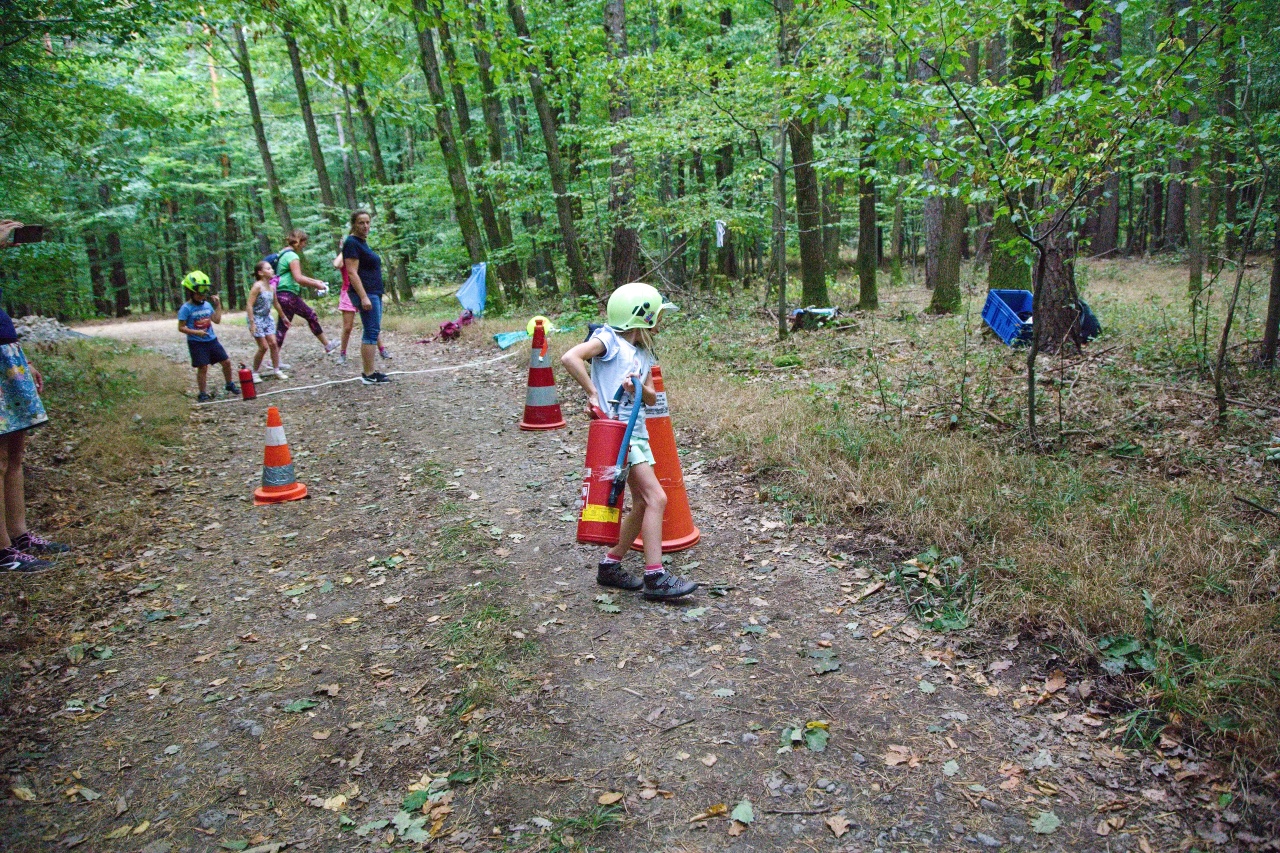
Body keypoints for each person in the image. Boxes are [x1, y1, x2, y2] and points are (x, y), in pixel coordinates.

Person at [561, 282, 697, 600]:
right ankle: (655, 576)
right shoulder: (608, 340)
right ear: (642, 315)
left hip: (637, 433)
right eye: (658, 314)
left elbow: (651, 397)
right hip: (618, 435)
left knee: (643, 503)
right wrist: (593, 394)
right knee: (656, 498)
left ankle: (610, 565)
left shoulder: (644, 353)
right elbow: (570, 358)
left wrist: (638, 387)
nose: (661, 319)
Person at [0, 220, 70, 572]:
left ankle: (19, 536)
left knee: (15, 454)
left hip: (8, 359)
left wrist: (23, 361)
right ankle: (2, 551)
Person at [342, 210, 391, 384]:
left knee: (373, 330)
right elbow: (352, 272)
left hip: (373, 292)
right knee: (371, 331)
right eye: (361, 223)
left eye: (367, 222)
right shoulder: (351, 243)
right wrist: (363, 297)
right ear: (354, 224)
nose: (365, 226)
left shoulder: (362, 243)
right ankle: (369, 374)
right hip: (366, 293)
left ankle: (370, 371)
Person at [273, 229, 337, 359]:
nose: (305, 245)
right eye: (304, 242)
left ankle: (273, 360)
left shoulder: (283, 254)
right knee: (310, 315)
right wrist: (316, 285)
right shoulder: (293, 256)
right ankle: (327, 345)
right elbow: (299, 278)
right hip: (288, 294)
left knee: (283, 327)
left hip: (281, 293)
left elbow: (297, 275)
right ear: (299, 241)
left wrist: (315, 281)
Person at [177, 270, 239, 403]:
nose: (202, 296)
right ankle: (202, 393)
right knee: (203, 367)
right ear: (191, 292)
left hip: (211, 340)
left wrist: (218, 305)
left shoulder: (207, 305)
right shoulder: (186, 308)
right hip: (196, 342)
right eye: (199, 294)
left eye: (204, 293)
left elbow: (216, 320)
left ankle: (229, 384)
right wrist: (196, 332)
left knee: (226, 362)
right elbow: (181, 327)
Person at [332, 244, 390, 366]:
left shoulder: (361, 254)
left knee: (372, 324)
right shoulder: (346, 256)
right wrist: (345, 249)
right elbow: (337, 264)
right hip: (348, 292)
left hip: (364, 291)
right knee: (348, 326)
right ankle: (342, 353)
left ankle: (381, 349)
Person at [246, 261, 289, 381]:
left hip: (267, 318)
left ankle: (276, 370)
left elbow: (276, 303)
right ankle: (255, 373)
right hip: (256, 318)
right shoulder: (257, 286)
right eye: (268, 269)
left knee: (274, 344)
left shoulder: (271, 287)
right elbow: (249, 305)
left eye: (271, 268)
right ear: (260, 272)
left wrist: (283, 317)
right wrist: (252, 323)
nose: (272, 270)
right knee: (263, 347)